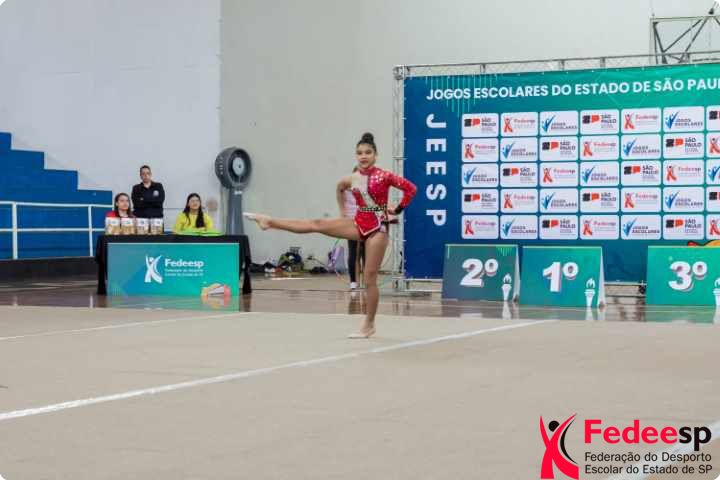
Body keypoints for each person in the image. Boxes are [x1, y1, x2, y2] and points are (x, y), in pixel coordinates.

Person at [245, 132, 417, 338]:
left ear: (375, 155)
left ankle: (369, 324)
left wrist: (396, 209)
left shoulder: (385, 175)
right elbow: (340, 188)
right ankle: (269, 221)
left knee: (369, 277)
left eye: (368, 152)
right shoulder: (352, 178)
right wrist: (343, 212)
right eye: (359, 153)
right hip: (358, 223)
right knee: (317, 224)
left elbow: (411, 189)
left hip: (378, 228)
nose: (363, 156)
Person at [336, 166, 364, 290]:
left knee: (365, 251)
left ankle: (365, 281)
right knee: (353, 251)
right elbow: (339, 191)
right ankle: (353, 281)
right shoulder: (346, 187)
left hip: (365, 221)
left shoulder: (367, 188)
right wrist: (342, 212)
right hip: (351, 221)